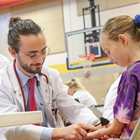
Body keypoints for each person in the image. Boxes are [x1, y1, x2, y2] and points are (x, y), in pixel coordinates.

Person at [0, 16, 104, 140]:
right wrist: (57, 132)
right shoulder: (3, 82)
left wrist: (95, 123)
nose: (40, 60)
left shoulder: (50, 76)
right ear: (13, 52)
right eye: (32, 55)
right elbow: (12, 127)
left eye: (43, 52)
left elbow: (71, 107)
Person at [86, 14, 140, 140]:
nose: (110, 59)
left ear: (122, 40)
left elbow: (116, 128)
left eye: (108, 51)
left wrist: (88, 136)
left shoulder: (130, 76)